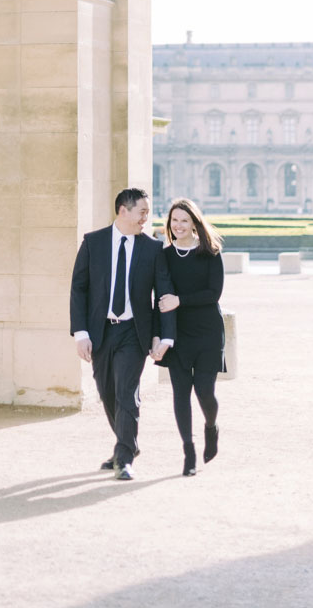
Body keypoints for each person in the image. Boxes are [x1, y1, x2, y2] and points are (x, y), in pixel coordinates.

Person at [69, 187, 177, 480]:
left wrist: (164, 337)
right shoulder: (94, 242)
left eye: (147, 212)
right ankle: (126, 443)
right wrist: (81, 333)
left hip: (134, 332)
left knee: (127, 394)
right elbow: (79, 287)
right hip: (100, 331)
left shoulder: (153, 248)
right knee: (107, 393)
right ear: (123, 211)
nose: (146, 217)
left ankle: (124, 457)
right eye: (142, 211)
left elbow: (163, 294)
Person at [154, 197, 225, 477]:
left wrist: (179, 300)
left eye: (184, 220)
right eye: (174, 220)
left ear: (194, 223)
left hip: (207, 332)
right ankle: (189, 451)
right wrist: (159, 336)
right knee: (180, 394)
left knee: (205, 392)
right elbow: (159, 298)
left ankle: (211, 427)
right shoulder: (165, 256)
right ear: (169, 224)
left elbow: (213, 294)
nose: (179, 225)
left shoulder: (210, 252)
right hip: (178, 335)